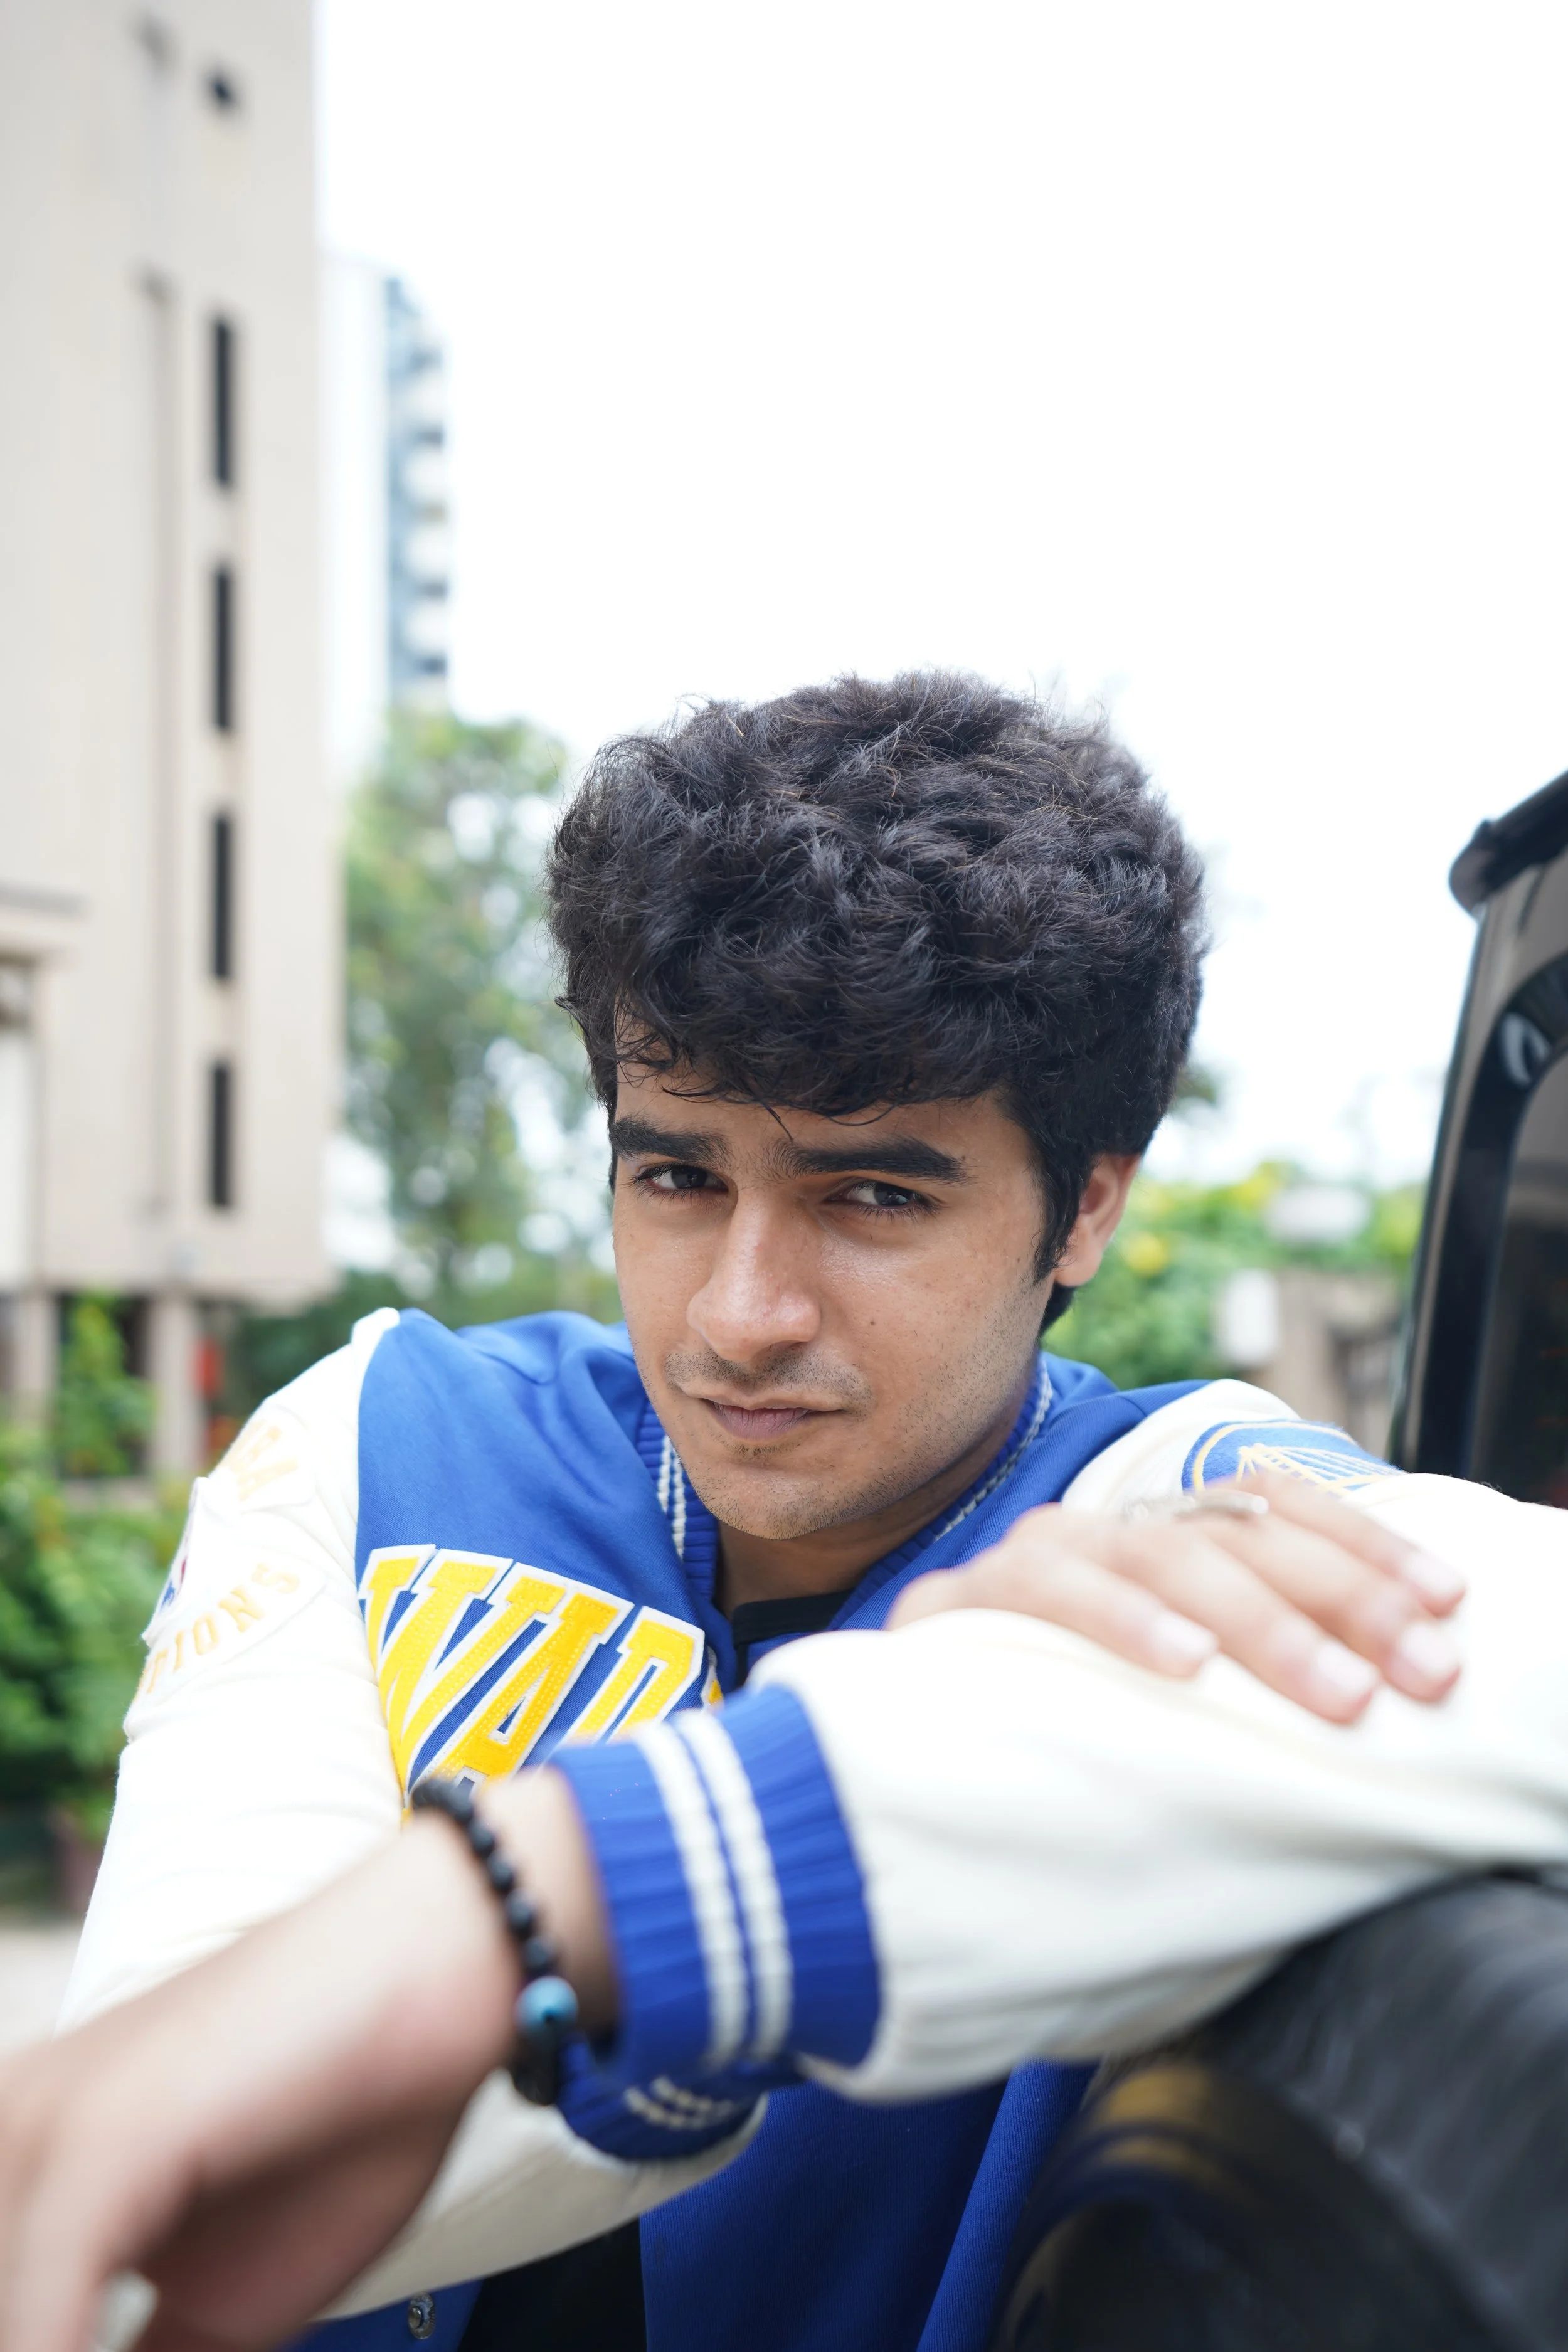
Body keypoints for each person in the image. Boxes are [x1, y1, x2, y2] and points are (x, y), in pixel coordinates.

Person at [51, 674, 1507, 2352]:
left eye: (870, 1193)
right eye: (676, 1174)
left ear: (1086, 1203)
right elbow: (155, 2176)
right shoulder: (383, 1439)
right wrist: (744, 1863)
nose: (742, 1310)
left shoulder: (1158, 1499)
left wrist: (620, 1885)